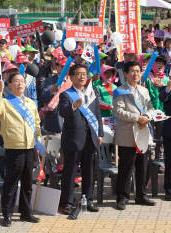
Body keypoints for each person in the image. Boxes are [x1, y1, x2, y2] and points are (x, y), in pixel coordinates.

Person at [0, 73, 41, 227]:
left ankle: (26, 213)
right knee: (11, 183)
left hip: (29, 147)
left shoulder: (30, 103)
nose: (20, 84)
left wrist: (37, 143)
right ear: (10, 84)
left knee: (27, 183)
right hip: (14, 148)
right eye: (16, 81)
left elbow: (37, 123)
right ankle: (7, 215)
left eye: (22, 81)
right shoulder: (5, 102)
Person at [58, 64, 103, 215]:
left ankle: (88, 200)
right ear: (71, 77)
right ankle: (66, 203)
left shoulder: (91, 92)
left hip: (90, 138)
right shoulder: (66, 94)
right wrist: (73, 106)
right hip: (73, 140)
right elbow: (63, 112)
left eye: (84, 74)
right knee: (70, 173)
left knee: (89, 171)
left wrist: (100, 134)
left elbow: (97, 114)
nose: (82, 77)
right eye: (78, 74)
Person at [113, 61, 156, 210]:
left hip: (143, 133)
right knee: (126, 167)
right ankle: (122, 197)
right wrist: (137, 118)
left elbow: (151, 107)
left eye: (138, 71)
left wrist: (147, 117)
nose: (135, 74)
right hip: (128, 135)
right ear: (125, 74)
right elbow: (118, 111)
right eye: (132, 71)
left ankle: (141, 195)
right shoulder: (120, 91)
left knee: (143, 166)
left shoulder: (144, 91)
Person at [145, 55, 169, 161]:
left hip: (163, 112)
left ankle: (159, 157)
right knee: (149, 134)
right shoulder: (147, 78)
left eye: (162, 64)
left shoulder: (168, 79)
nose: (159, 65)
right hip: (149, 111)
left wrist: (164, 86)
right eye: (156, 63)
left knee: (161, 136)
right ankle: (148, 157)